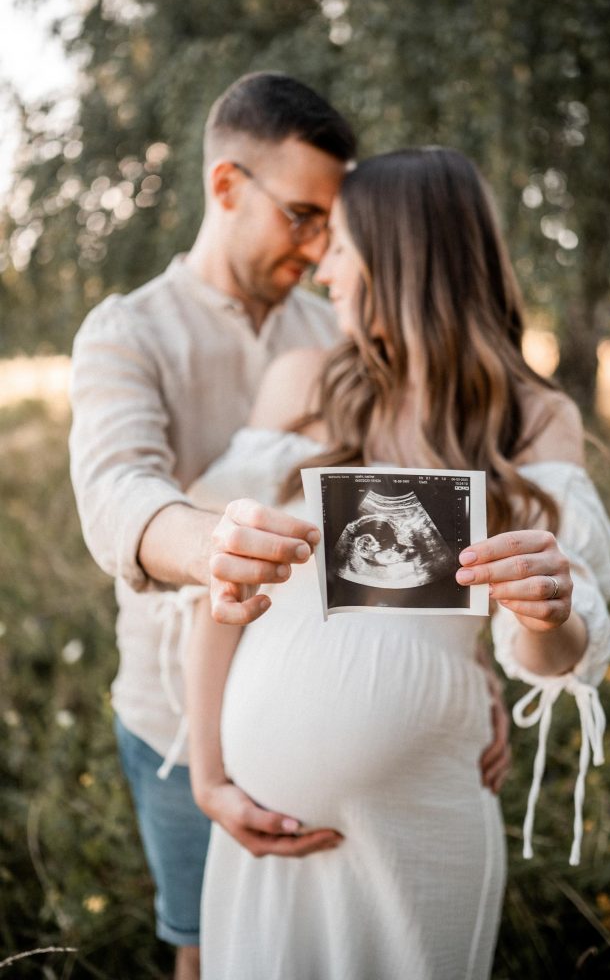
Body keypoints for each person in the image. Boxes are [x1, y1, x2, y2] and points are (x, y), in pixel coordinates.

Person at [69, 76, 509, 979]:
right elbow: (118, 493)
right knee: (205, 949)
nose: (319, 252)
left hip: (364, 756)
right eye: (302, 216)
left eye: (331, 227)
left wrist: (467, 663)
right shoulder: (127, 334)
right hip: (175, 729)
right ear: (227, 186)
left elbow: (410, 513)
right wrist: (212, 545)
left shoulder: (346, 326)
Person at [184, 147, 610, 979]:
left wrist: (547, 614)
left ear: (402, 261)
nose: (323, 271)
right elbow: (216, 591)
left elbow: (553, 661)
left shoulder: (533, 421)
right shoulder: (302, 383)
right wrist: (209, 776)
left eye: (342, 246)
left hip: (422, 826)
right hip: (259, 825)